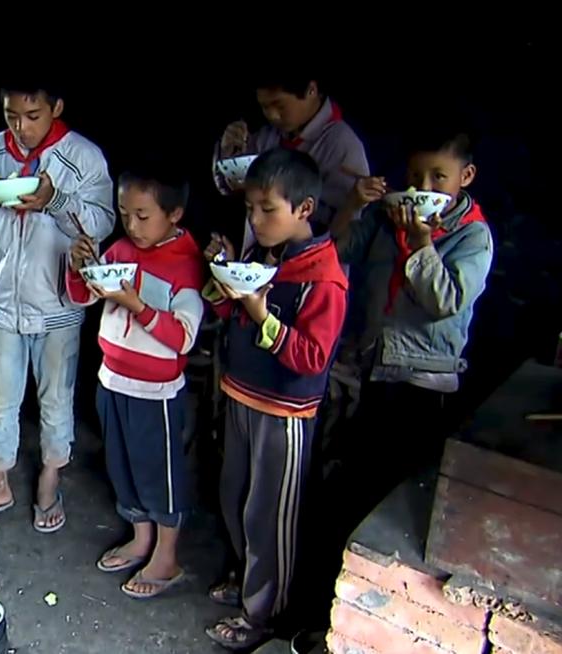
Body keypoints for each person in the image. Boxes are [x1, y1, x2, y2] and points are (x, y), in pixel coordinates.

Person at [0, 80, 115, 533]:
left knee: (56, 397)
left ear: (56, 106)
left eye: (32, 115)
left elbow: (101, 222)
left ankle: (49, 479)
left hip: (56, 300)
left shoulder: (83, 157)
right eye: (10, 116)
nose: (20, 127)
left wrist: (54, 200)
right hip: (3, 299)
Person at [201, 149, 348, 649]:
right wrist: (225, 286)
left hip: (284, 415)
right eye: (250, 210)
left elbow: (311, 357)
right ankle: (249, 582)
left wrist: (262, 315)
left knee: (270, 516)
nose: (256, 220)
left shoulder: (322, 277)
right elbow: (236, 319)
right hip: (242, 398)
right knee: (235, 497)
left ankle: (265, 613)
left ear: (304, 209)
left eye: (268, 210)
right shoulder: (269, 256)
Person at [329, 124, 493, 504]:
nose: (424, 189)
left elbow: (445, 301)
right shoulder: (388, 218)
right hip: (377, 366)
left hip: (424, 381)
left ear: (465, 177)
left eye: (439, 177)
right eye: (416, 176)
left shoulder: (473, 237)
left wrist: (421, 243)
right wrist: (353, 205)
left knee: (401, 485)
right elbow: (333, 253)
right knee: (364, 477)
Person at [65, 168, 205, 598]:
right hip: (112, 379)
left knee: (157, 471)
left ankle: (166, 557)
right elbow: (82, 296)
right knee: (121, 463)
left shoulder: (187, 266)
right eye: (125, 214)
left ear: (175, 214)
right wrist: (80, 267)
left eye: (143, 216)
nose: (132, 225)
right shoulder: (121, 250)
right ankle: (140, 537)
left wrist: (136, 305)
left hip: (156, 392)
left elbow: (183, 336)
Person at [214, 76, 369, 252]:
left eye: (280, 105)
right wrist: (230, 153)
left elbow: (345, 235)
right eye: (264, 107)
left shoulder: (341, 144)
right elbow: (234, 188)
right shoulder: (267, 135)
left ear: (311, 90)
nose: (272, 115)